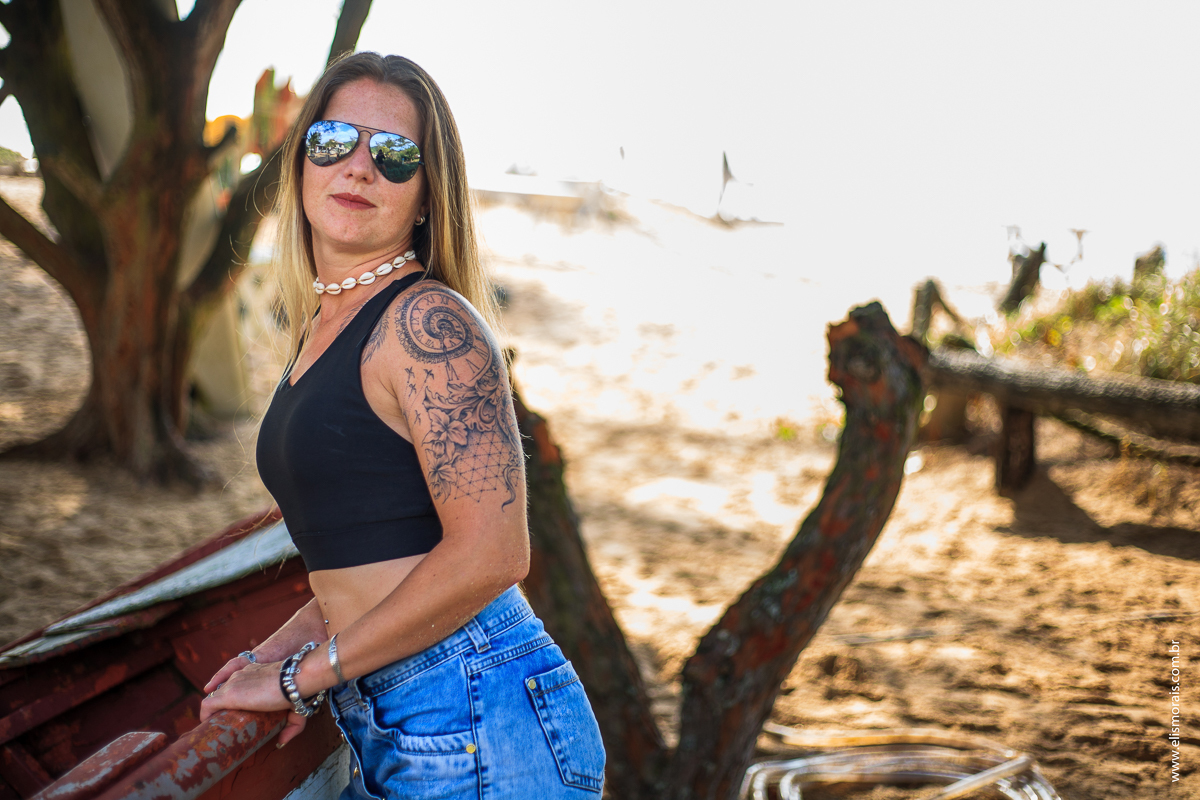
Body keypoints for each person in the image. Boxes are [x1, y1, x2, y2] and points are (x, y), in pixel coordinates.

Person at [199, 53, 605, 799]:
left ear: (424, 197)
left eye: (393, 156)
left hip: (478, 710)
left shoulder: (427, 323)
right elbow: (375, 550)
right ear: (301, 163)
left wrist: (303, 675)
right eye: (333, 142)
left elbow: (491, 554)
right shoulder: (327, 325)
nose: (358, 169)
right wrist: (279, 654)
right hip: (400, 708)